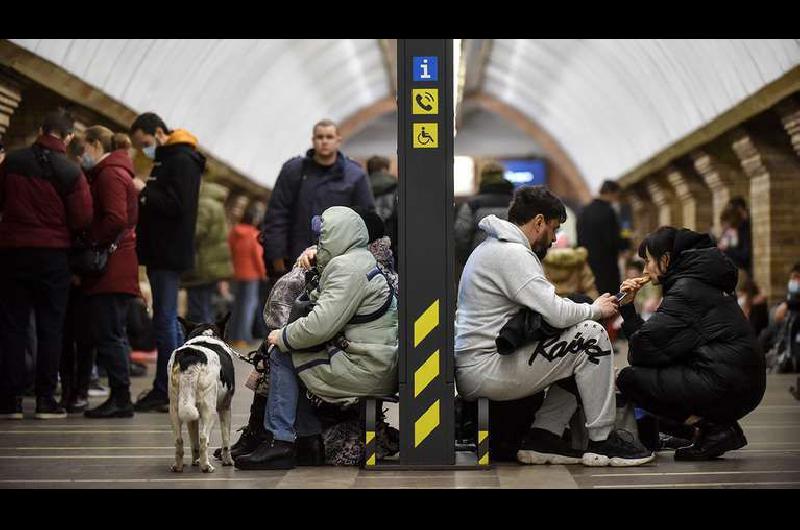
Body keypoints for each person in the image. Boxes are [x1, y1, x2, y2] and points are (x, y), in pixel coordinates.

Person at [455, 185, 653, 467]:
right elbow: (555, 311)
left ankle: (543, 438)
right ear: (538, 222)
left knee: (575, 342)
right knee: (591, 336)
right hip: (487, 369)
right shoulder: (511, 254)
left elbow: (549, 310)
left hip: (481, 364)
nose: (555, 237)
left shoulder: (492, 248)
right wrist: (595, 309)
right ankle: (602, 441)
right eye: (554, 228)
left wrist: (591, 308)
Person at [235, 206, 398, 470]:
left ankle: (281, 442)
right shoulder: (358, 261)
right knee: (291, 355)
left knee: (282, 355)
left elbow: (320, 324)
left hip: (364, 368)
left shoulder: (347, 268)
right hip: (374, 361)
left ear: (338, 235)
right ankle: (308, 442)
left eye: (323, 236)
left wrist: (282, 336)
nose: (319, 242)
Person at [616, 226, 766, 460]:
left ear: (665, 260)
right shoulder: (701, 281)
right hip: (738, 379)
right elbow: (659, 348)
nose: (645, 269)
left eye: (647, 261)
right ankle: (707, 430)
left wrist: (627, 309)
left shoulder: (687, 290)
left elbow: (643, 351)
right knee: (650, 374)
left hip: (727, 383)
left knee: (630, 379)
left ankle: (713, 429)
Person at [0, 109, 93, 420]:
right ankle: (45, 400)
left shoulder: (11, 162)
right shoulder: (70, 171)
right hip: (53, 256)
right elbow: (82, 217)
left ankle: (9, 400)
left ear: (41, 128)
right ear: (67, 137)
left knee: (12, 325)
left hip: (12, 251)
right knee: (50, 327)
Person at [129, 112, 204, 412]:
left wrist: (143, 191)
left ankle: (167, 388)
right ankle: (172, 385)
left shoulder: (181, 160)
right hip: (162, 250)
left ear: (159, 132)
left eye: (144, 142)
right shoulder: (170, 157)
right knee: (167, 320)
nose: (143, 148)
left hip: (168, 251)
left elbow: (177, 205)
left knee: (164, 320)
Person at [259, 119, 375, 281]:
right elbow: (277, 215)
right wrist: (277, 259)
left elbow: (367, 220)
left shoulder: (355, 176)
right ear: (313, 140)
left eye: (329, 137)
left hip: (340, 263)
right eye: (320, 137)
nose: (324, 141)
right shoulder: (293, 171)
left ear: (338, 141)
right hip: (295, 260)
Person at [77, 126, 140, 418]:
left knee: (109, 334)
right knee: (112, 333)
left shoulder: (109, 174)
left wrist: (92, 240)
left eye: (86, 147)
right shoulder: (117, 171)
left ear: (95, 144)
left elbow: (115, 218)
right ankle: (120, 395)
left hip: (112, 268)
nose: (84, 155)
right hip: (120, 266)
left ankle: (120, 397)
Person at [182, 182, 233, 324]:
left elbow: (196, 232)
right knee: (205, 307)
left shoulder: (204, 205)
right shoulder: (217, 206)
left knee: (198, 310)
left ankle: (204, 340)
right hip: (213, 265)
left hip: (203, 265)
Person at [454, 160, 515, 272]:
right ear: (502, 176)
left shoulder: (472, 205)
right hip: (511, 260)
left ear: (482, 178)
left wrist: (467, 259)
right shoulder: (515, 203)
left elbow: (461, 234)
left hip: (479, 262)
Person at [577, 180, 629, 297]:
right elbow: (614, 239)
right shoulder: (608, 211)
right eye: (617, 195)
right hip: (607, 266)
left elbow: (579, 240)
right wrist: (625, 245)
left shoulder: (584, 211)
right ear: (611, 193)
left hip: (588, 265)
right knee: (609, 298)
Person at [228, 207, 267, 350]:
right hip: (252, 275)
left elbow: (230, 250)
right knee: (248, 307)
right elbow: (258, 257)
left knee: (237, 306)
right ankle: (243, 337)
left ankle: (233, 336)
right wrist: (263, 273)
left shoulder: (234, 232)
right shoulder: (253, 234)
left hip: (237, 273)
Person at [719, 197, 752, 274]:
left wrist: (727, 249)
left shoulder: (743, 231)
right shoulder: (729, 233)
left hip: (739, 270)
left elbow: (744, 256)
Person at [366, 155, 397, 227]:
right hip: (389, 229)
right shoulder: (395, 185)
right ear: (384, 169)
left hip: (368, 229)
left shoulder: (362, 185)